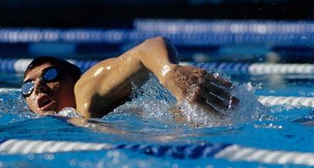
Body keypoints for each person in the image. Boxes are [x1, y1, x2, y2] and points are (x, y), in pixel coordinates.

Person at [21, 36, 238, 120]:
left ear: (74, 79)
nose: (38, 87)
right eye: (27, 87)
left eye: (49, 75)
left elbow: (146, 49)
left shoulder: (85, 92)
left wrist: (168, 72)